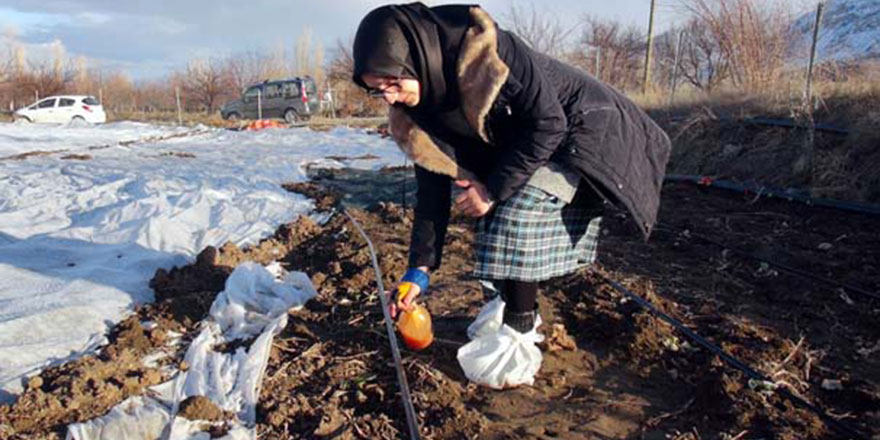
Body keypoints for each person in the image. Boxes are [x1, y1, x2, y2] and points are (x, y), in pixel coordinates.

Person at [352, 3, 670, 388]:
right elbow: (431, 193)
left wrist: (494, 188)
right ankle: (508, 308)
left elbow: (549, 123)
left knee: (514, 213)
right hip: (527, 144)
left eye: (392, 84)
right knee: (485, 207)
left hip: (582, 129)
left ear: (415, 60)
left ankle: (519, 335)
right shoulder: (417, 111)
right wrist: (419, 270)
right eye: (376, 90)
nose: (388, 98)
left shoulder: (487, 52)